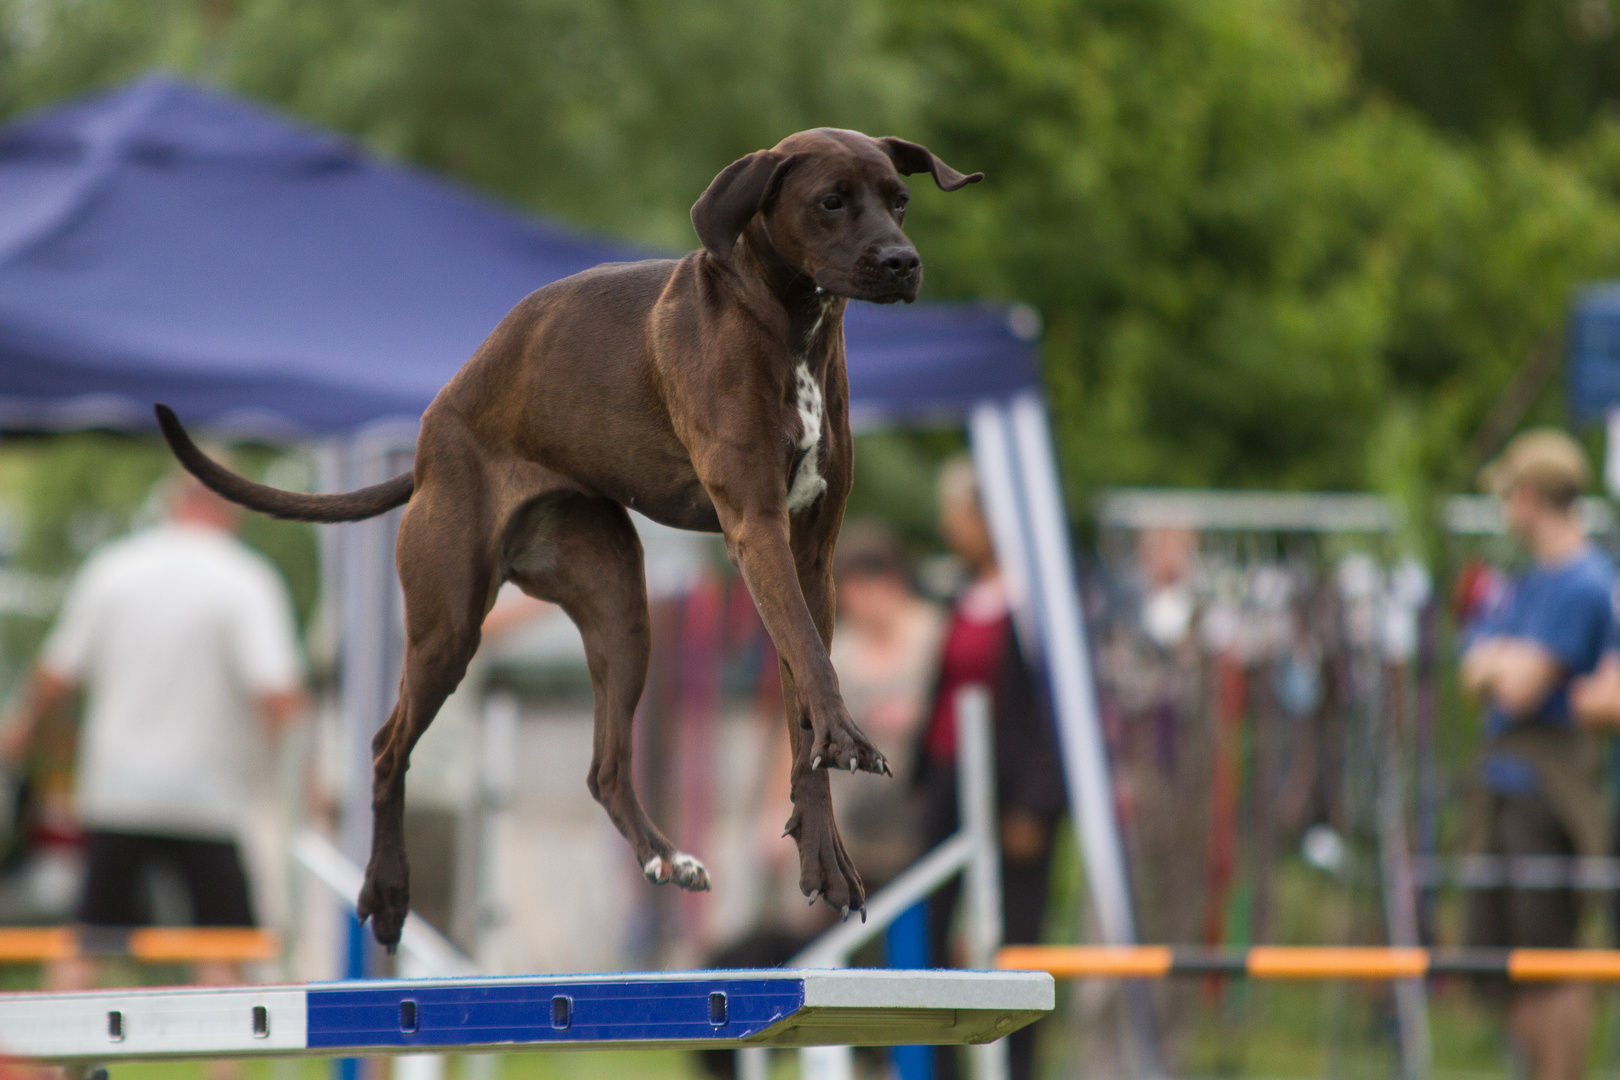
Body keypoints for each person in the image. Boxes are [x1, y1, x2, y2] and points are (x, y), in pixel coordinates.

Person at [1, 467, 305, 1080]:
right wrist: (286, 775)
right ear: (232, 509)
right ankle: (225, 1073)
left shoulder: (115, 568)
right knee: (223, 949)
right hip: (209, 796)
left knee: (87, 939)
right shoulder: (245, 579)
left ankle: (46, 1065)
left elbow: (56, 673)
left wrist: (20, 736)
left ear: (173, 503)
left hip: (119, 789)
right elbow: (279, 694)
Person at [1460, 428, 1612, 1080]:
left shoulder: (1584, 583)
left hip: (1548, 795)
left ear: (1530, 497)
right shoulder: (1527, 582)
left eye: (1510, 496)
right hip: (1503, 786)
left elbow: (1518, 688)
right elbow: (1473, 671)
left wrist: (1502, 662)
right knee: (1498, 967)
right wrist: (1502, 662)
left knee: (1554, 962)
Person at [915, 455, 1066, 1080]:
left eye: (957, 513)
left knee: (1013, 945)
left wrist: (1036, 803)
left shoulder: (1040, 601)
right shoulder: (960, 593)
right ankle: (942, 1067)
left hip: (1015, 795)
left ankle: (1017, 1066)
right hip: (949, 783)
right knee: (931, 935)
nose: (949, 526)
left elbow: (1057, 713)